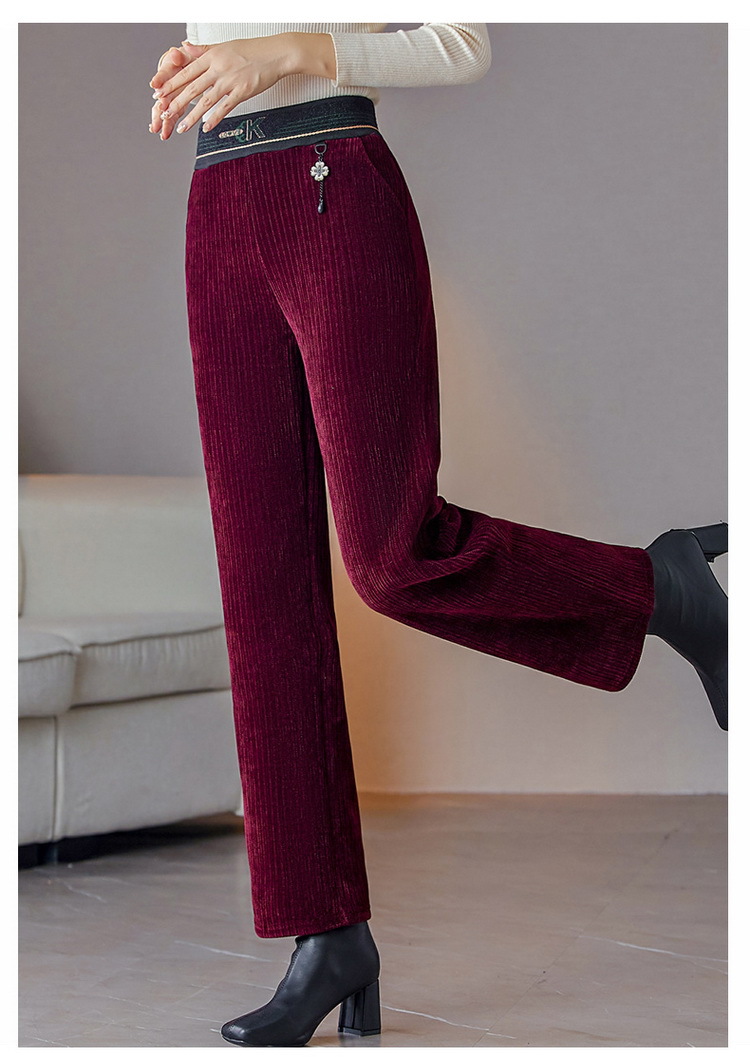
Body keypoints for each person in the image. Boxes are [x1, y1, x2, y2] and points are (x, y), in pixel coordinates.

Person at [148, 24, 728, 1048]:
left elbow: (463, 43)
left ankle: (658, 589)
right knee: (261, 591)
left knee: (392, 553)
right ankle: (326, 939)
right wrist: (201, 59)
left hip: (333, 187)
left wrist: (283, 51)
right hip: (215, 197)